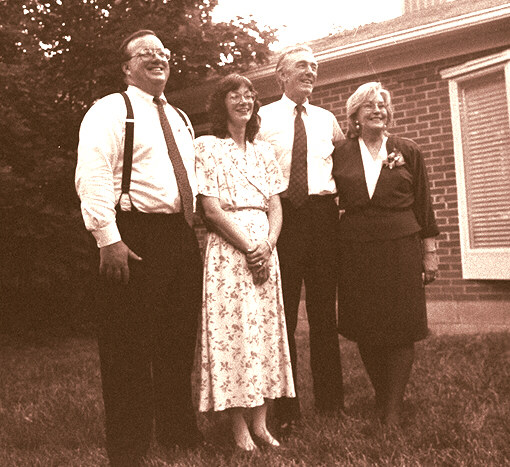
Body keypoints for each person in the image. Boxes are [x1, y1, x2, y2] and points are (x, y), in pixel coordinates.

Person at [75, 30, 202, 465]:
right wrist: (108, 239)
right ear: (126, 67)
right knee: (127, 348)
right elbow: (92, 173)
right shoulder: (112, 109)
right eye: (145, 52)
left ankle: (177, 432)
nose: (157, 57)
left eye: (163, 51)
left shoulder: (181, 117)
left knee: (178, 342)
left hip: (179, 237)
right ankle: (128, 450)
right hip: (132, 235)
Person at [194, 74, 295, 451]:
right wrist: (248, 246)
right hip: (229, 252)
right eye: (234, 94)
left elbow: (276, 206)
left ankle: (262, 424)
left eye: (249, 94)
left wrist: (268, 244)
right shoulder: (206, 147)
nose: (244, 100)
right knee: (233, 335)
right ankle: (237, 428)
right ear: (221, 103)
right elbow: (211, 209)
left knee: (266, 333)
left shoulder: (264, 151)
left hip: (266, 250)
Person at [332, 82, 439, 426]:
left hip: (401, 248)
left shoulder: (407, 150)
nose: (378, 110)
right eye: (370, 106)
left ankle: (391, 410)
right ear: (355, 116)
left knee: (401, 326)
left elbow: (423, 203)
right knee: (367, 325)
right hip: (357, 250)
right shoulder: (340, 153)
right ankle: (382, 395)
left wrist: (430, 252)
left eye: (382, 105)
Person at [258, 45, 344, 434]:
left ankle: (332, 404)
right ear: (281, 75)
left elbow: (345, 166)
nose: (310, 71)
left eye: (314, 66)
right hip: (284, 219)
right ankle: (287, 411)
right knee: (285, 315)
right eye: (301, 66)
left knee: (325, 314)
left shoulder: (327, 120)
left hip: (324, 218)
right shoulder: (261, 118)